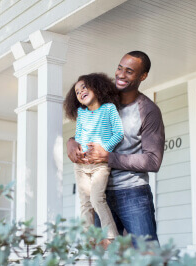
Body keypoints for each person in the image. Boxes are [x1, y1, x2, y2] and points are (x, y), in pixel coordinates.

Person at [66, 51, 165, 247]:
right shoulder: (101, 100)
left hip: (132, 194)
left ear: (142, 76)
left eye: (129, 71)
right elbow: (85, 132)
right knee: (104, 255)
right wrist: (71, 142)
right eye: (120, 68)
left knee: (147, 256)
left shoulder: (148, 110)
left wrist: (108, 157)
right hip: (98, 192)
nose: (121, 74)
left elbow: (153, 161)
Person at [63, 73, 124, 249]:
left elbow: (118, 133)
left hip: (99, 165)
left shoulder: (109, 109)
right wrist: (77, 149)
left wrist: (105, 150)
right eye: (77, 92)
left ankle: (112, 238)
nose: (80, 92)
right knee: (85, 203)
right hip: (81, 165)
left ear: (96, 88)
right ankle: (88, 241)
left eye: (84, 87)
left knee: (97, 199)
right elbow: (80, 136)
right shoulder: (82, 114)